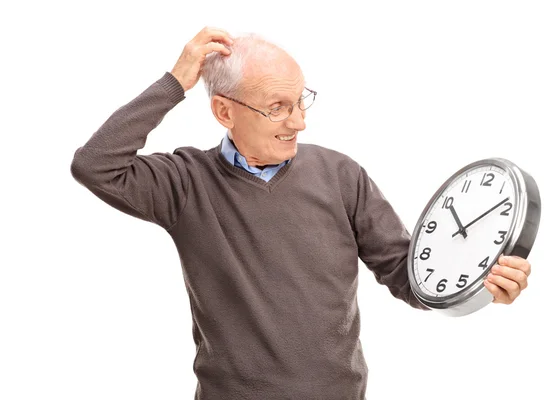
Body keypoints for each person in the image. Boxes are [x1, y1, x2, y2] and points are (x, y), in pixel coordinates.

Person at [70, 26, 532, 400]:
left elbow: (407, 275)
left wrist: (480, 288)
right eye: (278, 108)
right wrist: (175, 83)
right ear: (224, 112)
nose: (299, 121)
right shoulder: (184, 182)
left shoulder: (341, 174)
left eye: (300, 101)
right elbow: (96, 166)